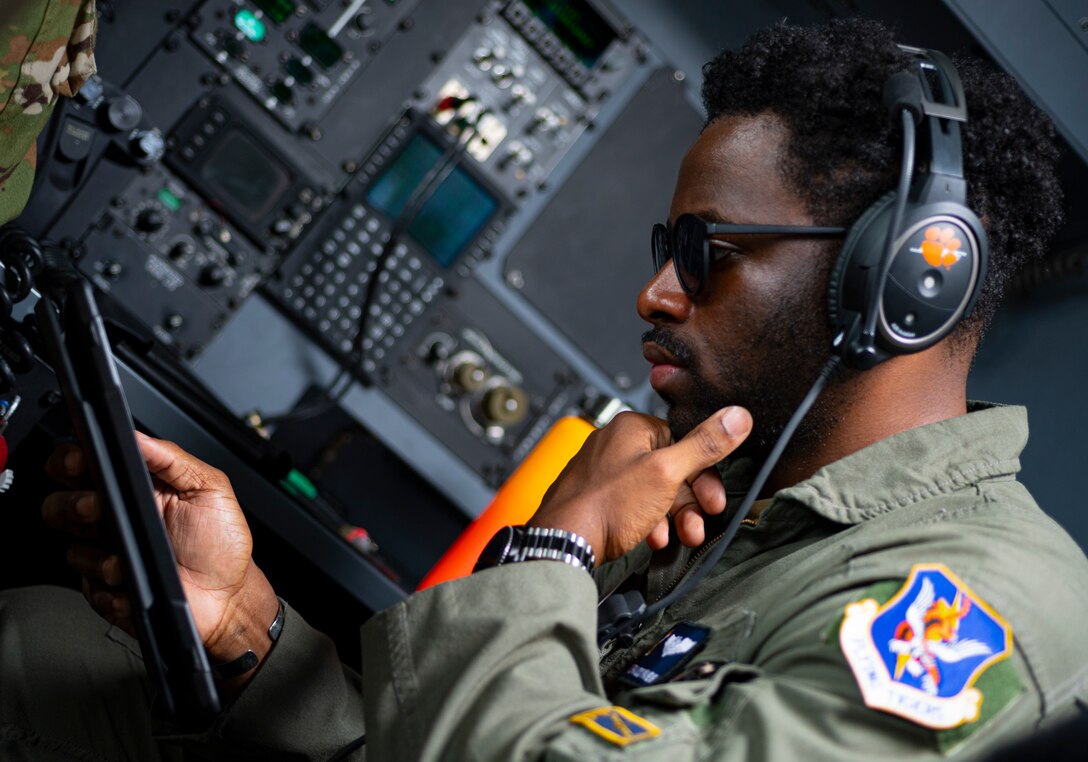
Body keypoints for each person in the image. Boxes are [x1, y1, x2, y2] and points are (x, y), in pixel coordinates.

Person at [3, 15, 1086, 762]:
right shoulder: (744, 503)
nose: (655, 294)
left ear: (899, 280)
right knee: (42, 646)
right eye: (669, 244)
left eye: (707, 251)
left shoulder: (973, 618)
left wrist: (551, 554)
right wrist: (248, 640)